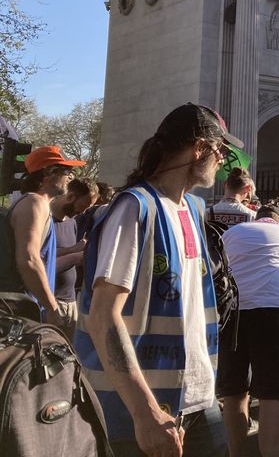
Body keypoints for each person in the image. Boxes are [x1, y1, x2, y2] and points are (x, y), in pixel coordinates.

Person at [76, 102, 235, 456]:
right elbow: (104, 315)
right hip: (140, 410)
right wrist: (143, 411)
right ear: (199, 149)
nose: (223, 159)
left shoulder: (193, 208)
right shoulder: (134, 207)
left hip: (197, 400)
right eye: (220, 149)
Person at [218, 202, 279, 457]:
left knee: (234, 390)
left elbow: (221, 270)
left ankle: (235, 453)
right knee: (272, 393)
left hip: (234, 312)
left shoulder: (232, 233)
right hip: (272, 310)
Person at [0, 145, 85, 325]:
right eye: (67, 171)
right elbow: (29, 260)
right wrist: (53, 308)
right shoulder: (34, 203)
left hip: (25, 308)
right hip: (18, 310)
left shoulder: (39, 204)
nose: (71, 177)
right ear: (50, 172)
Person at [51, 177, 99, 338]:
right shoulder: (45, 220)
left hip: (70, 301)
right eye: (82, 206)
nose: (83, 212)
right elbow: (41, 258)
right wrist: (74, 252)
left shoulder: (71, 222)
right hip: (52, 301)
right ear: (71, 196)